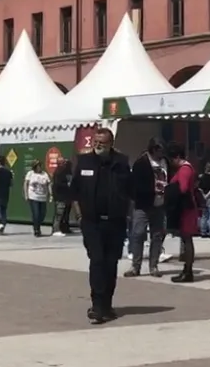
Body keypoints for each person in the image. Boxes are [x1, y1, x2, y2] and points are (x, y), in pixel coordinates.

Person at [70, 127, 131, 325]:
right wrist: (79, 215)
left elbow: (129, 190)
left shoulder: (121, 162)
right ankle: (97, 305)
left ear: (111, 144)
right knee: (97, 260)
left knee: (110, 263)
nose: (97, 145)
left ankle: (107, 304)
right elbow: (75, 191)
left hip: (115, 222)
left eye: (102, 143)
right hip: (91, 222)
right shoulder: (84, 161)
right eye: (95, 142)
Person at [125, 138, 167, 278]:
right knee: (138, 234)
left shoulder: (165, 162)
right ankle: (135, 266)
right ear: (154, 149)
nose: (163, 152)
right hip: (143, 205)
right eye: (160, 149)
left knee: (157, 235)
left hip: (160, 205)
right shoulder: (141, 163)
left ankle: (153, 266)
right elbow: (133, 185)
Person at [164, 142, 199, 283]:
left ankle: (188, 271)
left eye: (172, 159)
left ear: (177, 157)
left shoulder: (184, 169)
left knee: (187, 239)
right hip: (187, 207)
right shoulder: (187, 168)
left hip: (186, 209)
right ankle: (186, 270)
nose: (171, 163)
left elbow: (182, 189)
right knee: (186, 240)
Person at [23, 160, 51, 237]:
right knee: (36, 213)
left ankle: (37, 224)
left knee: (42, 214)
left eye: (40, 166)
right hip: (33, 196)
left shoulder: (44, 174)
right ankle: (36, 229)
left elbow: (48, 184)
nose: (39, 167)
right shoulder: (30, 174)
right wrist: (26, 194)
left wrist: (50, 194)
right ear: (34, 167)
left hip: (43, 197)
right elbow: (26, 184)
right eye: (38, 166)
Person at [51, 156, 74, 236]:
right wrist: (67, 184)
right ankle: (56, 229)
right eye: (63, 162)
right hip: (60, 196)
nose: (65, 163)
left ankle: (65, 228)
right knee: (59, 213)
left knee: (65, 213)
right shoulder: (58, 172)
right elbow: (57, 185)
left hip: (67, 196)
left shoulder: (67, 171)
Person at [198, 162, 210, 237]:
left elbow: (199, 188)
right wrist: (208, 195)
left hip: (204, 198)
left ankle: (203, 232)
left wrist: (204, 195)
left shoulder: (202, 177)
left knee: (204, 215)